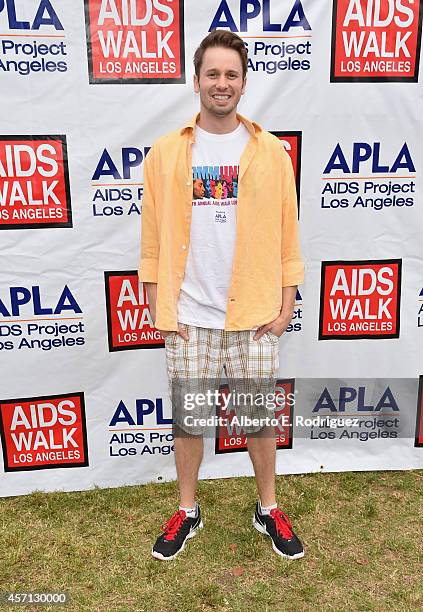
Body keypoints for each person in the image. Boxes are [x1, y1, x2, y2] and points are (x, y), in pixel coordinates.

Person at [138, 30, 304, 561]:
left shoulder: (272, 152)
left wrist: (286, 305)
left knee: (257, 416)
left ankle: (268, 507)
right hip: (188, 314)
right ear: (196, 81)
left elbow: (288, 233)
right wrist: (155, 302)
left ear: (244, 83)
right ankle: (187, 510)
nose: (221, 83)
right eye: (212, 73)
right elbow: (151, 238)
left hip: (255, 313)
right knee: (189, 418)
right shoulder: (166, 154)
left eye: (231, 74)